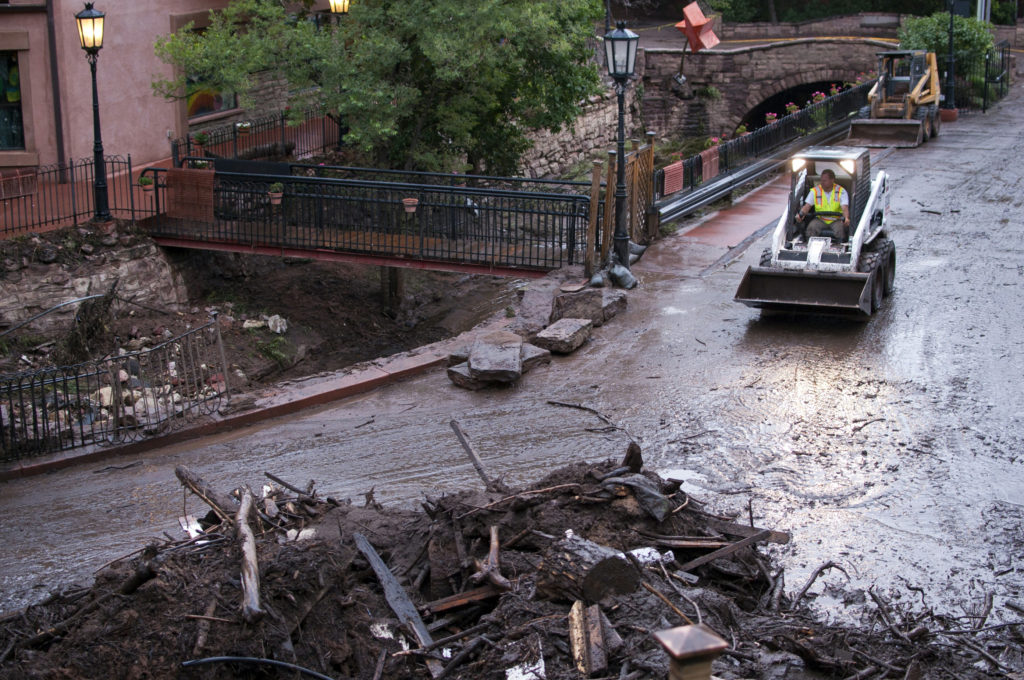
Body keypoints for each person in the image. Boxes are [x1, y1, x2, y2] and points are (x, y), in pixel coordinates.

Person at [795, 169, 850, 241]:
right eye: (821, 180)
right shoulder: (815, 191)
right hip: (820, 219)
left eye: (825, 181)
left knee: (840, 230)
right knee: (811, 228)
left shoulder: (841, 191)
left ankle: (839, 246)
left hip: (836, 219)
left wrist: (846, 218)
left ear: (832, 180)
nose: (822, 183)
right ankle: (809, 245)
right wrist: (801, 214)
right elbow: (807, 206)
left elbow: (844, 207)